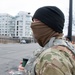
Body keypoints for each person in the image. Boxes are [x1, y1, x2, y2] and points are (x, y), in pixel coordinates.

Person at [18, 6, 75, 75]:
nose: (32, 25)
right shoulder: (64, 46)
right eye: (33, 21)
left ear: (50, 24)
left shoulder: (51, 59)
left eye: (36, 21)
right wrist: (30, 68)